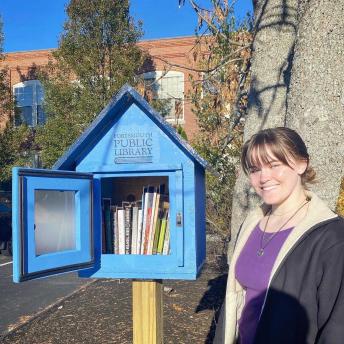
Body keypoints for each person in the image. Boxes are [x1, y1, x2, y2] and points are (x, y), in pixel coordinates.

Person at [214, 127, 344, 343]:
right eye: (255, 169)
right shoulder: (251, 224)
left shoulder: (332, 237)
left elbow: (337, 327)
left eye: (274, 165)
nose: (264, 177)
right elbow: (237, 301)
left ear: (301, 163)